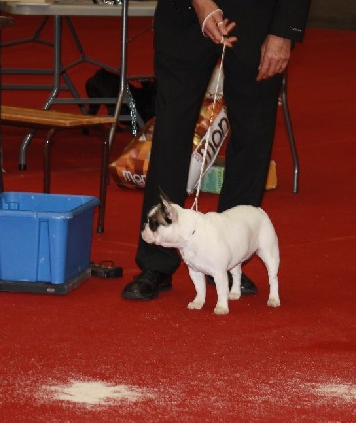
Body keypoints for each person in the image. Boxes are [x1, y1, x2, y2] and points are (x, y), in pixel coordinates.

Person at [121, 0, 311, 300]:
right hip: (184, 15)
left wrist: (283, 32)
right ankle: (156, 261)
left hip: (259, 19)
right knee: (170, 134)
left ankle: (230, 255)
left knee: (253, 134)